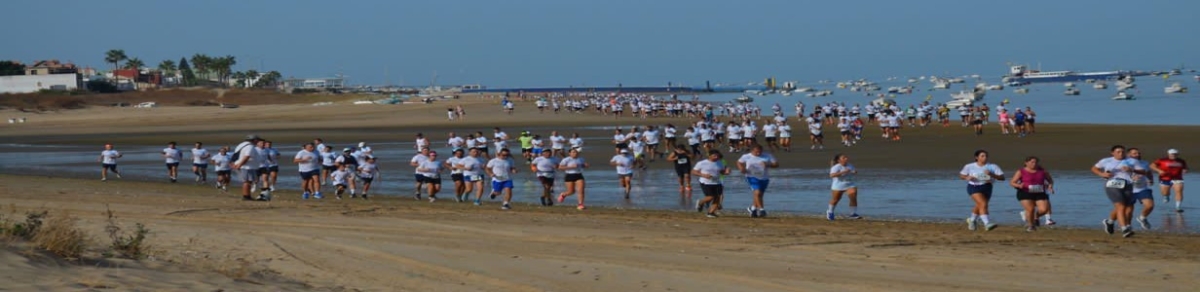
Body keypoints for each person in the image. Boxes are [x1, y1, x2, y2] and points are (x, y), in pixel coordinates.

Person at [1091, 145, 1138, 238]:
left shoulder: (1131, 161)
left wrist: (1131, 170)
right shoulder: (1106, 161)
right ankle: (1124, 229)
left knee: (1126, 207)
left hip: (1128, 184)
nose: (1121, 154)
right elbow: (1094, 168)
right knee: (1121, 206)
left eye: (1122, 152)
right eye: (1118, 152)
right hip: (1112, 184)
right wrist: (1102, 174)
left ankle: (1109, 222)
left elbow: (1141, 170)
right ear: (1112, 153)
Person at [960, 150, 1004, 231]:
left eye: (986, 156)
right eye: (982, 156)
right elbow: (962, 175)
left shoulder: (993, 166)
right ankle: (987, 223)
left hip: (987, 187)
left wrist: (991, 175)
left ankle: (972, 220)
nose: (985, 157)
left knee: (980, 205)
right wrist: (967, 177)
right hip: (974, 187)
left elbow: (1002, 178)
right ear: (977, 157)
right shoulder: (969, 166)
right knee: (983, 203)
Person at [1009, 156, 1055, 232]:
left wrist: (1050, 185)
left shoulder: (1042, 171)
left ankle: (1033, 216)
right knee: (1031, 209)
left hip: (1040, 192)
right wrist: (1019, 185)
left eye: (1036, 162)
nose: (1034, 164)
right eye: (1032, 162)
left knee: (1044, 209)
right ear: (1026, 163)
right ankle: (1031, 226)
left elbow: (1050, 180)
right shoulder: (1021, 171)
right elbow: (1012, 182)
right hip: (1025, 192)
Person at [738, 144, 779, 218]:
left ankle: (752, 209)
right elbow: (739, 162)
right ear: (752, 151)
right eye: (756, 152)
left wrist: (768, 164)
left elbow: (776, 164)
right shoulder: (746, 156)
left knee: (759, 195)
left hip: (764, 178)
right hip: (751, 177)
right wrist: (742, 168)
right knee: (757, 193)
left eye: (760, 152)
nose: (758, 153)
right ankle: (761, 209)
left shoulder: (767, 155)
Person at [692, 150, 731, 218]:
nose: (716, 157)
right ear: (709, 155)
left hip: (717, 182)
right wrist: (703, 175)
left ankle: (711, 213)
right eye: (714, 156)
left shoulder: (720, 162)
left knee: (718, 197)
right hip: (706, 182)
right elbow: (693, 172)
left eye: (717, 156)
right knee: (711, 196)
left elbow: (722, 172)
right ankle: (700, 202)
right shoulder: (702, 163)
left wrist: (726, 172)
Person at [1151, 148, 1188, 213]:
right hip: (1165, 178)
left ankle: (1178, 207)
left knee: (1179, 191)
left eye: (1175, 154)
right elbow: (1152, 165)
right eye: (1171, 154)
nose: (1173, 155)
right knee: (1165, 192)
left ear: (1177, 154)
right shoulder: (1162, 160)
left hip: (1177, 178)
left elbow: (1185, 167)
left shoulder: (1181, 161)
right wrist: (1159, 171)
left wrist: (1185, 170)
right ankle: (1166, 196)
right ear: (1168, 154)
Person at [827, 153, 861, 220]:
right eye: (844, 158)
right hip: (838, 185)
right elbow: (831, 175)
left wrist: (854, 172)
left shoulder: (850, 165)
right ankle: (830, 212)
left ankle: (853, 214)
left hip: (850, 184)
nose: (846, 158)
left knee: (853, 196)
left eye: (846, 157)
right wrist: (843, 172)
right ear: (839, 160)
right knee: (835, 200)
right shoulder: (836, 167)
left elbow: (853, 171)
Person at [232, 135, 267, 201]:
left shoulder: (242, 144)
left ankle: (247, 195)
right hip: (247, 167)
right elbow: (247, 156)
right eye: (258, 140)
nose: (258, 142)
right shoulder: (250, 146)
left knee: (248, 181)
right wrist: (240, 165)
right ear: (255, 140)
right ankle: (246, 196)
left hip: (246, 166)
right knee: (247, 181)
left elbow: (236, 155)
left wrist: (235, 164)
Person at [1128, 148, 1155, 229]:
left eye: (1139, 153)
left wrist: (1150, 179)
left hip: (1142, 188)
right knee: (1128, 211)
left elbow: (1149, 172)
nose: (1138, 155)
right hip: (1128, 189)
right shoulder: (1124, 163)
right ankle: (1127, 227)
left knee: (1150, 205)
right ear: (1129, 155)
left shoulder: (1144, 163)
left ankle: (1142, 218)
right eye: (1135, 153)